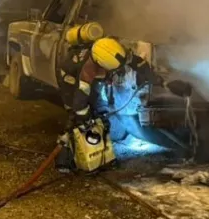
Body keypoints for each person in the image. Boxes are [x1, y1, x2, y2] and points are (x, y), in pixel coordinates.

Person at [56, 36, 162, 170]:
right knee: (76, 119)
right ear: (101, 65)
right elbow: (80, 100)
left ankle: (101, 156)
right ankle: (65, 158)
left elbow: (138, 62)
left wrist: (152, 78)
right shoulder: (87, 71)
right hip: (70, 83)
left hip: (91, 79)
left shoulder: (114, 52)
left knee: (96, 115)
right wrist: (84, 116)